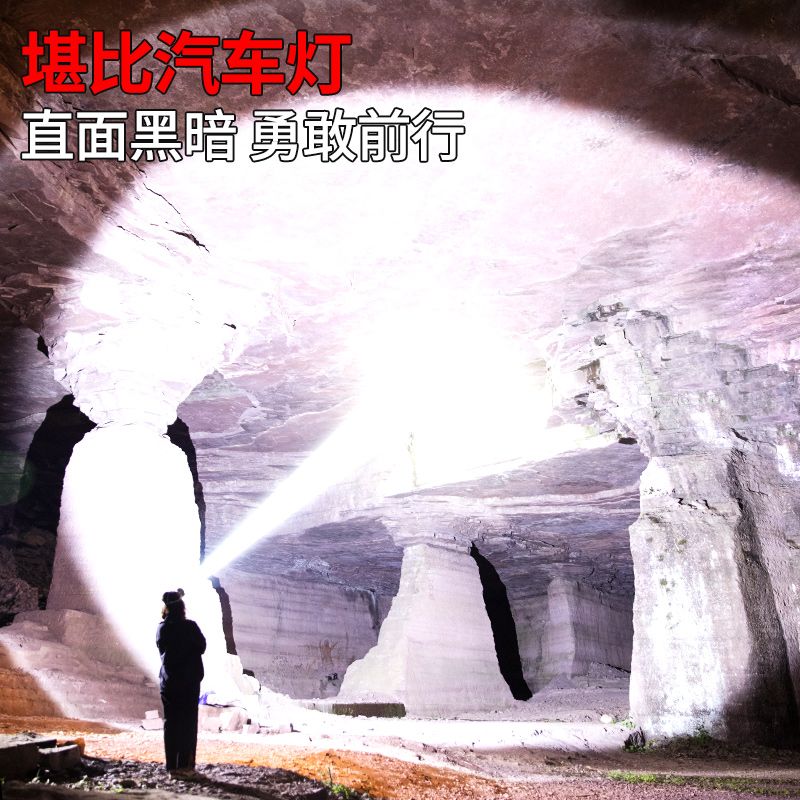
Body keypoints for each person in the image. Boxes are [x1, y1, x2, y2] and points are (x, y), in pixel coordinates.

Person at [156, 588, 206, 776]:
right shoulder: (190, 627)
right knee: (188, 723)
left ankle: (172, 766)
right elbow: (202, 646)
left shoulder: (162, 628)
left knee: (171, 723)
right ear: (182, 608)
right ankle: (186, 765)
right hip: (189, 683)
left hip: (169, 682)